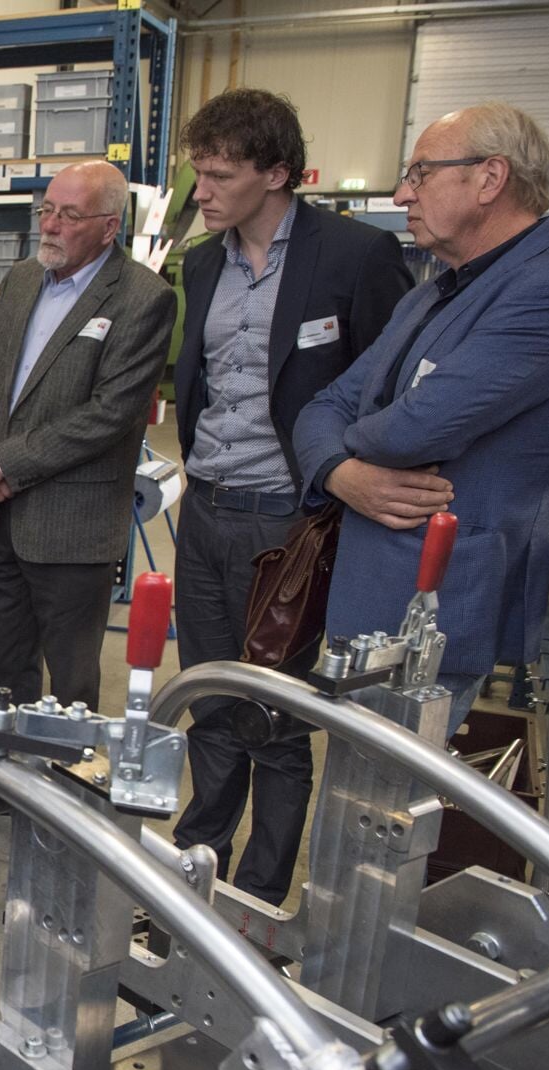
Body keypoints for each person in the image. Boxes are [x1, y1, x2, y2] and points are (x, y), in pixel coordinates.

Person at [168, 89, 415, 907]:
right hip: (204, 506)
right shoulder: (203, 262)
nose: (199, 191)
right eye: (197, 173)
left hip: (292, 521)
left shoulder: (353, 257)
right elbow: (198, 387)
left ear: (278, 173)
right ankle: (194, 877)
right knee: (208, 699)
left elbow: (384, 395)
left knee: (274, 721)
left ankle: (258, 902)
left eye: (218, 175)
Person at [294, 101, 549, 740]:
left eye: (420, 173)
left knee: (385, 818)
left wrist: (352, 444)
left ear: (489, 178)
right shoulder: (434, 290)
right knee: (358, 806)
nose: (401, 193)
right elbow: (321, 405)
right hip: (370, 599)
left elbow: (414, 429)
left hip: (433, 617)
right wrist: (342, 472)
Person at [0, 160, 176, 713]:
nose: (49, 226)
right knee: (2, 666)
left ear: (109, 226)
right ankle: (0, 779)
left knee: (72, 679)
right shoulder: (23, 278)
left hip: (72, 523)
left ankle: (61, 785)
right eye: (46, 210)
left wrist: (4, 462)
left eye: (69, 215)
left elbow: (110, 414)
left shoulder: (142, 298)